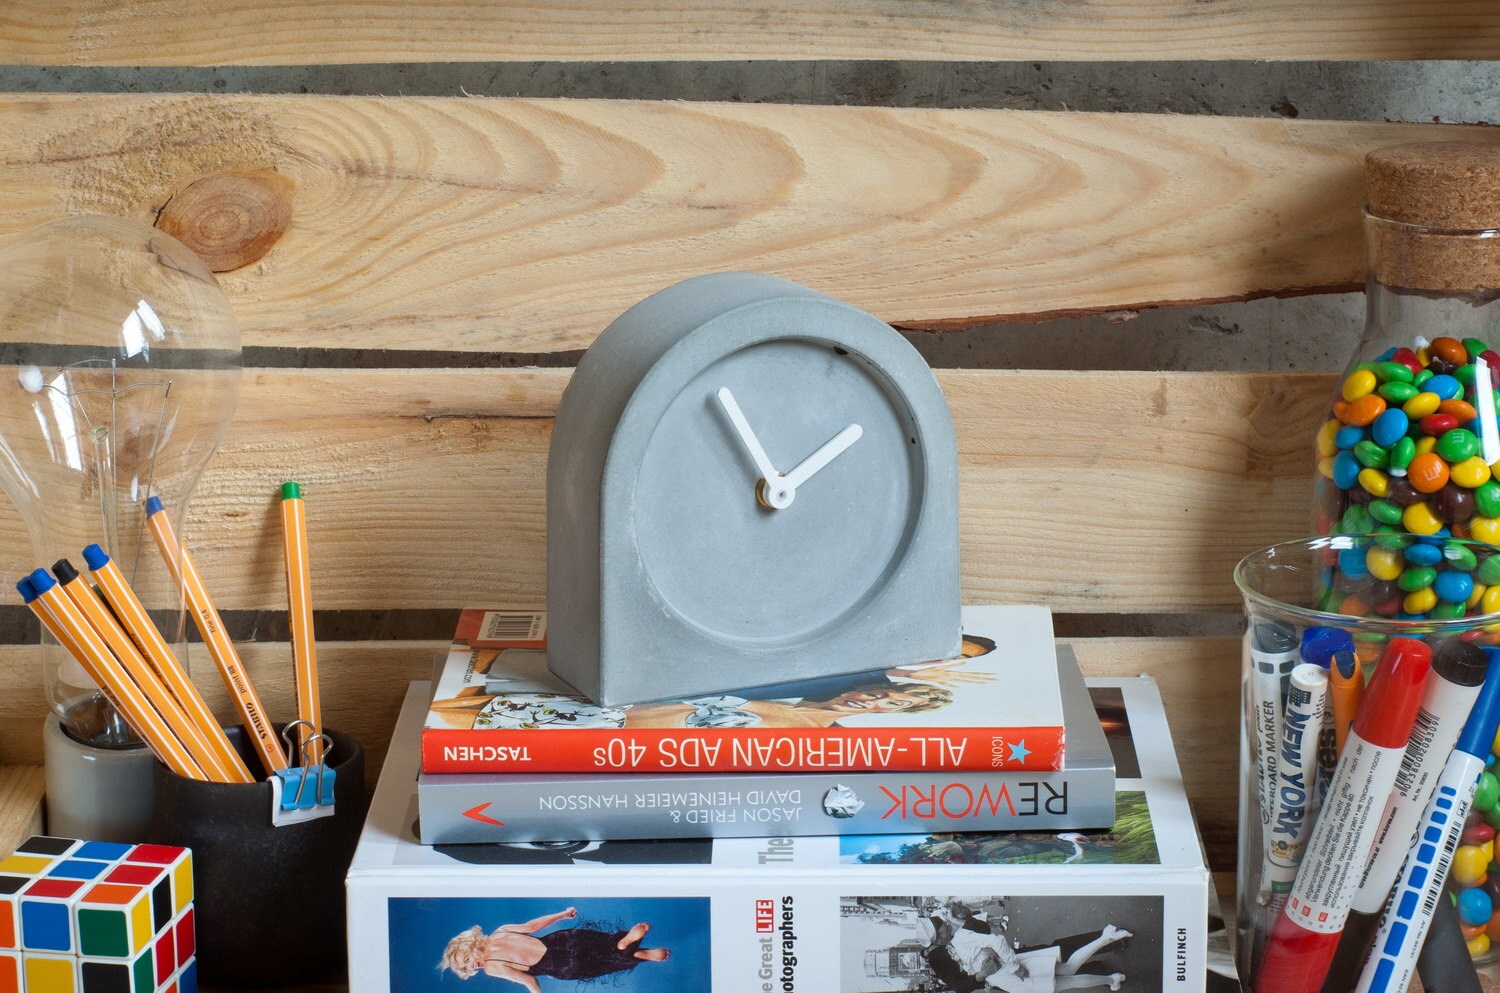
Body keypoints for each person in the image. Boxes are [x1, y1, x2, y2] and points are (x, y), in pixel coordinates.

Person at [438, 907, 669, 990]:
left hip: (561, 966)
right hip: (563, 939)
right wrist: (562, 914)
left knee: (604, 964)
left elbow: (530, 981)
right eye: (467, 967)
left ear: (471, 947)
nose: (473, 966)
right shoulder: (501, 931)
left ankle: (636, 953)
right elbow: (534, 925)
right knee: (605, 945)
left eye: (467, 960)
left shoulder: (491, 967)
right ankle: (626, 944)